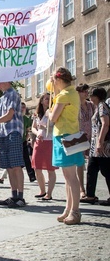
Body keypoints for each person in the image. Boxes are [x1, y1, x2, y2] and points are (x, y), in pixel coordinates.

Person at [48, 67, 84, 225]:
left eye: (54, 81)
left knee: (70, 178)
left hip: (65, 136)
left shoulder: (64, 95)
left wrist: (49, 112)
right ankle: (69, 209)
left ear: (59, 80)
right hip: (70, 135)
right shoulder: (72, 92)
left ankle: (75, 211)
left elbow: (53, 117)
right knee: (69, 177)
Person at [80, 87, 110, 206]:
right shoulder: (98, 107)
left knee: (107, 171)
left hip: (102, 146)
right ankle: (90, 195)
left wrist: (100, 142)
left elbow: (105, 124)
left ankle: (91, 195)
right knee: (91, 169)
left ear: (97, 97)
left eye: (92, 95)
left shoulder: (102, 106)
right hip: (95, 146)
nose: (90, 98)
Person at [31, 93, 57, 201]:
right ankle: (42, 190)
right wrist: (37, 133)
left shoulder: (53, 111)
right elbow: (33, 127)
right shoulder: (37, 114)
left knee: (50, 169)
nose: (47, 100)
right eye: (46, 99)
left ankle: (49, 193)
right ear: (41, 101)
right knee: (37, 167)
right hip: (39, 142)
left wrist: (45, 127)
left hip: (49, 141)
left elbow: (55, 126)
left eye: (49, 99)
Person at [76, 83, 94, 198]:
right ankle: (81, 189)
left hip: (91, 136)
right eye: (84, 91)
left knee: (92, 164)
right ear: (78, 92)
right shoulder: (75, 106)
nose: (86, 93)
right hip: (80, 137)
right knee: (80, 164)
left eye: (87, 91)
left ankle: (90, 189)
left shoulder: (91, 105)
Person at [21, 102, 36, 183]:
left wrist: (27, 139)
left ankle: (31, 175)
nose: (22, 108)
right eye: (21, 107)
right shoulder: (16, 117)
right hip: (15, 141)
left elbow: (28, 130)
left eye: (23, 107)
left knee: (27, 159)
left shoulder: (26, 119)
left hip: (23, 141)